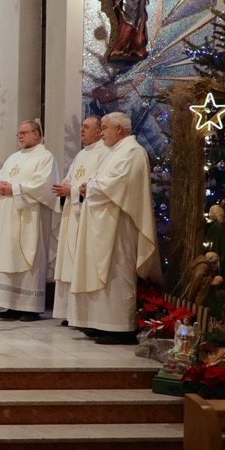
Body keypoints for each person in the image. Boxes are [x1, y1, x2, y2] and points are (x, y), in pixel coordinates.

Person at [69, 112, 163, 344]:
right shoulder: (114, 152)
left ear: (119, 129)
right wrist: (89, 186)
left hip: (119, 225)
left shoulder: (133, 152)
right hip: (103, 222)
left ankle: (120, 328)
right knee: (102, 272)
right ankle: (101, 323)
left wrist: (90, 186)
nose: (101, 133)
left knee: (117, 273)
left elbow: (119, 183)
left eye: (104, 128)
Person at [0, 120, 59, 321]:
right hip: (7, 217)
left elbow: (43, 186)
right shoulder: (13, 158)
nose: (20, 136)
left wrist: (14, 189)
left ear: (36, 134)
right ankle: (11, 305)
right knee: (7, 255)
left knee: (29, 256)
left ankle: (30, 307)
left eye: (24, 133)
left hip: (29, 218)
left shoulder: (45, 157)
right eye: (18, 133)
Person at [52, 116, 107, 323]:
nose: (81, 130)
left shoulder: (104, 153)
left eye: (86, 127)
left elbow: (94, 185)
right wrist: (65, 189)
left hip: (86, 216)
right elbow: (71, 179)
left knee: (80, 262)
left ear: (99, 131)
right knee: (69, 263)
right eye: (82, 127)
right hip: (72, 215)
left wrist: (72, 191)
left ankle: (81, 315)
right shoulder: (81, 154)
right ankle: (69, 313)